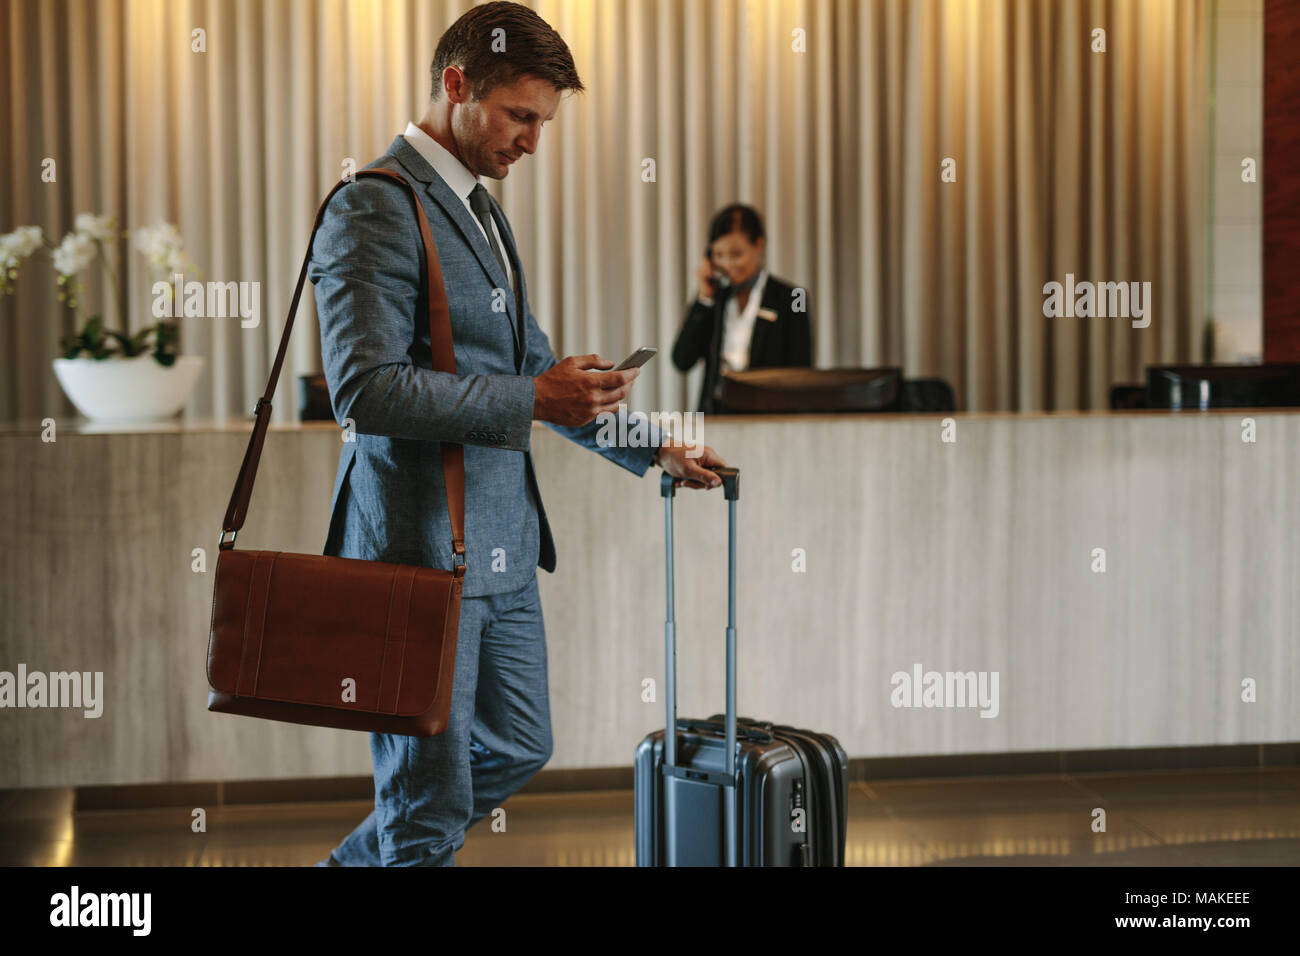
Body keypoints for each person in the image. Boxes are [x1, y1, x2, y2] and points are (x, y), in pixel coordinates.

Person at [307, 0, 725, 867]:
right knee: (427, 805)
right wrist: (534, 398)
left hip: (501, 544)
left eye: (543, 121)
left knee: (520, 748)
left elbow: (527, 366)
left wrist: (655, 446)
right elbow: (366, 388)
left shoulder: (483, 210)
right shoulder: (373, 205)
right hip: (420, 552)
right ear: (457, 85)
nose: (533, 141)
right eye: (520, 116)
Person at [671, 205, 813, 413]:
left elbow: (801, 372)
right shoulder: (714, 298)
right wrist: (705, 298)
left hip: (770, 416)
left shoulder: (793, 297)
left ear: (758, 245)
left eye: (736, 254)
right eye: (719, 255)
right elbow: (682, 360)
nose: (728, 264)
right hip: (717, 417)